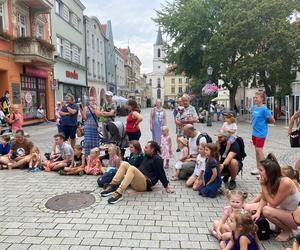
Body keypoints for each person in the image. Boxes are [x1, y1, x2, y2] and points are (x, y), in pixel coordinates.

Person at [245, 153, 300, 242]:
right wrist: (258, 213)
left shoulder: (285, 182)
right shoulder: (270, 179)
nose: (258, 173)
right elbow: (264, 198)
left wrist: (263, 186)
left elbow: (273, 203)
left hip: (295, 217)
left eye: (261, 170)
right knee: (248, 208)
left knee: (266, 210)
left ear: (269, 172)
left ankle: (288, 231)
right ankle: (278, 228)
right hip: (283, 210)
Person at [100, 141, 174, 204]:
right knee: (124, 164)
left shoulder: (157, 159)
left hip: (145, 184)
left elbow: (161, 173)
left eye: (146, 148)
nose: (144, 149)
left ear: (153, 149)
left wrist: (166, 187)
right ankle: (112, 186)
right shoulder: (147, 156)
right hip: (138, 180)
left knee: (132, 168)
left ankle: (119, 193)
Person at [251, 90, 275, 175]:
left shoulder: (264, 109)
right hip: (254, 132)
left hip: (261, 133)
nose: (255, 99)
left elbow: (272, 121)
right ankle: (258, 168)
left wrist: (264, 123)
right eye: (254, 97)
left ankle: (265, 170)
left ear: (262, 99)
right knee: (256, 150)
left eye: (257, 98)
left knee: (259, 149)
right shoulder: (253, 107)